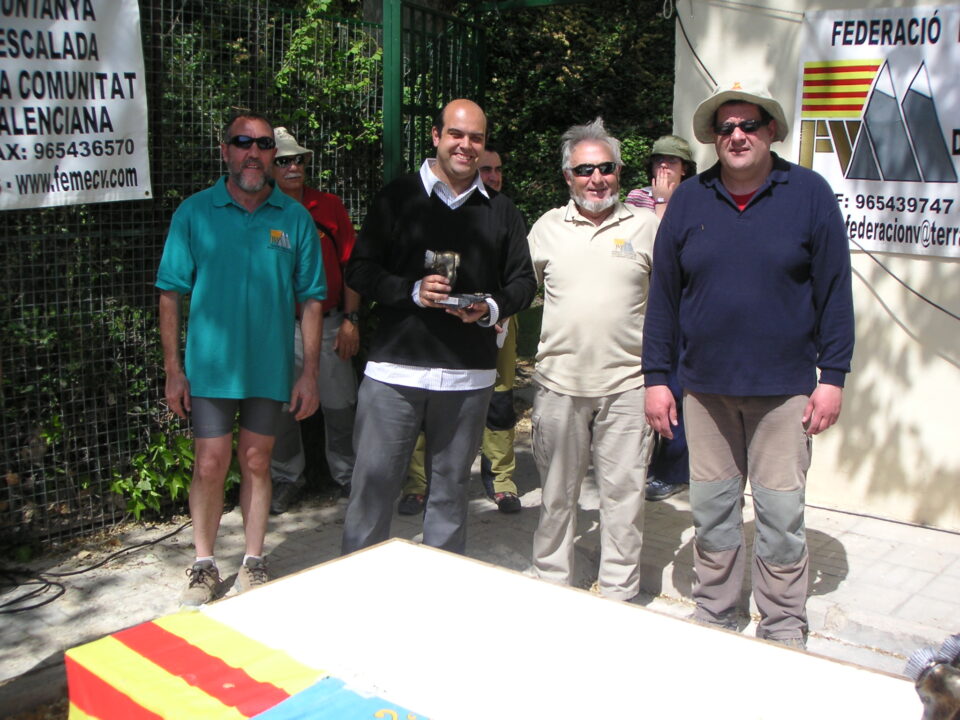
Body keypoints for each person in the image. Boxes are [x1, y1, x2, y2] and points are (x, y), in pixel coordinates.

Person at [642, 80, 855, 648]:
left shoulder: (809, 194)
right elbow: (663, 297)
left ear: (772, 132)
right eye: (725, 128)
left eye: (748, 125)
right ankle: (716, 611)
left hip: (784, 391)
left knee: (781, 515)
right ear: (714, 139)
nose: (736, 135)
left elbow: (835, 292)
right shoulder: (689, 199)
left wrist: (832, 378)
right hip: (704, 391)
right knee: (712, 510)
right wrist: (656, 379)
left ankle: (784, 622)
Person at [341, 99, 536, 555]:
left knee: (449, 501)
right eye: (457, 134)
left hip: (468, 377)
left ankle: (438, 605)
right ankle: (351, 598)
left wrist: (489, 305)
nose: (466, 146)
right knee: (371, 495)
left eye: (476, 138)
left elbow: (523, 283)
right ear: (436, 136)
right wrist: (409, 290)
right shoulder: (397, 197)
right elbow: (359, 270)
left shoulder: (502, 210)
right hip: (396, 374)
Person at [157, 112, 326, 606]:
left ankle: (254, 561)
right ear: (225, 150)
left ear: (274, 155)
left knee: (257, 460)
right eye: (242, 142)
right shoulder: (194, 212)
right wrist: (173, 370)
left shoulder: (293, 219)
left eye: (264, 144)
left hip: (269, 368)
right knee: (210, 463)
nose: (254, 152)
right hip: (209, 368)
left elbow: (313, 298)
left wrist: (310, 372)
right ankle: (204, 564)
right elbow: (170, 292)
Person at [528, 117, 658, 601]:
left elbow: (669, 305)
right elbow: (518, 290)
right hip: (559, 386)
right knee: (556, 498)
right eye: (584, 171)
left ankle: (620, 595)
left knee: (623, 500)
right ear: (568, 177)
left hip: (628, 387)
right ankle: (551, 585)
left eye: (606, 168)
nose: (596, 179)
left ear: (620, 172)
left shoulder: (647, 228)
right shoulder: (545, 229)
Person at [398, 145, 523, 516]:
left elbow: (520, 276)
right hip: (440, 323)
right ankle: (418, 483)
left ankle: (501, 480)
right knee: (426, 399)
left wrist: (500, 308)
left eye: (498, 169)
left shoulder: (506, 213)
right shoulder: (438, 210)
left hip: (498, 320)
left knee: (499, 402)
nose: (494, 177)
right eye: (486, 169)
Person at [267, 127, 360, 514]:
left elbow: (352, 265)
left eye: (298, 160)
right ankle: (287, 478)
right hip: (279, 327)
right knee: (280, 409)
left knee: (342, 405)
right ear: (269, 167)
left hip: (330, 322)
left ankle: (350, 477)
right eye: (283, 161)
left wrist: (353, 320)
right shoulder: (261, 210)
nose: (293, 167)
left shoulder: (329, 206)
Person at [625, 135, 697, 502]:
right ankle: (641, 465)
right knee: (645, 391)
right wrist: (657, 204)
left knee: (676, 389)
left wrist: (667, 201)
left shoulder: (697, 198)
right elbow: (639, 245)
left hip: (682, 310)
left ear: (686, 168)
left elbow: (678, 249)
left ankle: (671, 470)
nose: (664, 167)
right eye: (658, 161)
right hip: (642, 311)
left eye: (672, 162)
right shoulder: (636, 199)